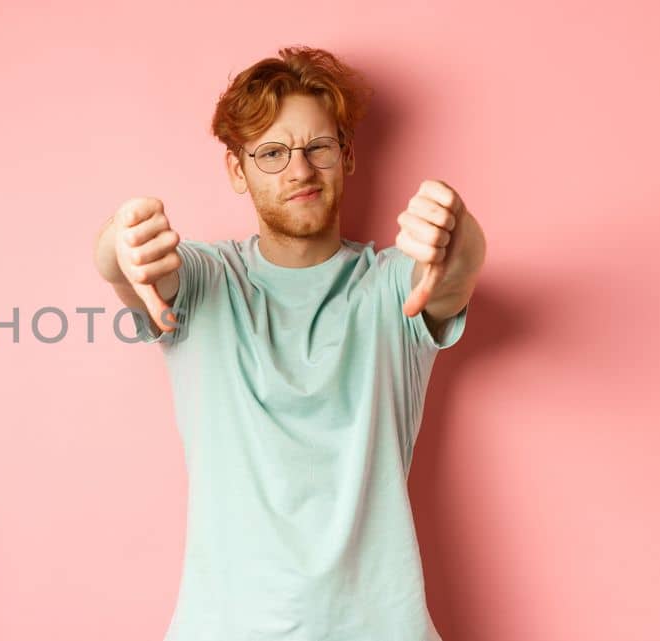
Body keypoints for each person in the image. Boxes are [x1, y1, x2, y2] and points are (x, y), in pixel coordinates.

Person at [91, 46, 486, 641]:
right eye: (272, 153)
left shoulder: (390, 288)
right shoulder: (205, 282)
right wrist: (118, 246)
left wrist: (455, 232)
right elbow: (130, 270)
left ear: (346, 156)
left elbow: (454, 273)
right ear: (236, 170)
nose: (299, 170)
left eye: (317, 147)